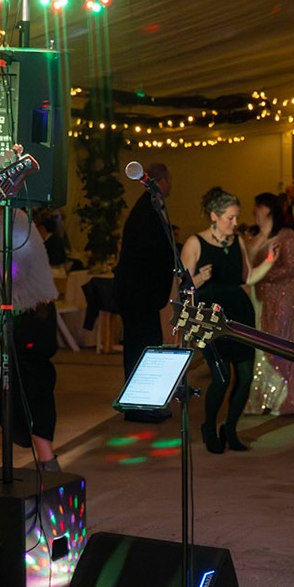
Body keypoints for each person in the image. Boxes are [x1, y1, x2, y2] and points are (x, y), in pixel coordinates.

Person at [0, 193, 62, 471]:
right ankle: (44, 461)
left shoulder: (10, 225)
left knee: (6, 389)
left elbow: (9, 275)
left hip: (22, 319)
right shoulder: (14, 222)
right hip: (23, 318)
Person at [180, 187, 254, 454]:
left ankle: (230, 428)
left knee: (245, 376)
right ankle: (209, 427)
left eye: (236, 217)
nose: (235, 222)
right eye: (230, 218)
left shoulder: (237, 241)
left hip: (239, 311)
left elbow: (246, 276)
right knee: (222, 377)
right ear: (214, 216)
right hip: (209, 315)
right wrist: (199, 279)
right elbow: (182, 288)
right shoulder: (194, 243)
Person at [114, 162, 177, 421]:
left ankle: (144, 403)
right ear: (162, 181)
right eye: (169, 180)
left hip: (141, 294)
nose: (171, 185)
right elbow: (149, 255)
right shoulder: (147, 211)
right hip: (139, 295)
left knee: (144, 346)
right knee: (141, 348)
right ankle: (138, 406)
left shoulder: (149, 208)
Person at [248, 191, 294, 416]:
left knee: (283, 340)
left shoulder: (286, 235)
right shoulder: (256, 236)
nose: (254, 211)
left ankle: (286, 398)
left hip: (284, 294)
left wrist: (261, 274)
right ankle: (266, 397)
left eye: (258, 206)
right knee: (264, 343)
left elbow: (289, 267)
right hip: (261, 296)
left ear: (268, 209)